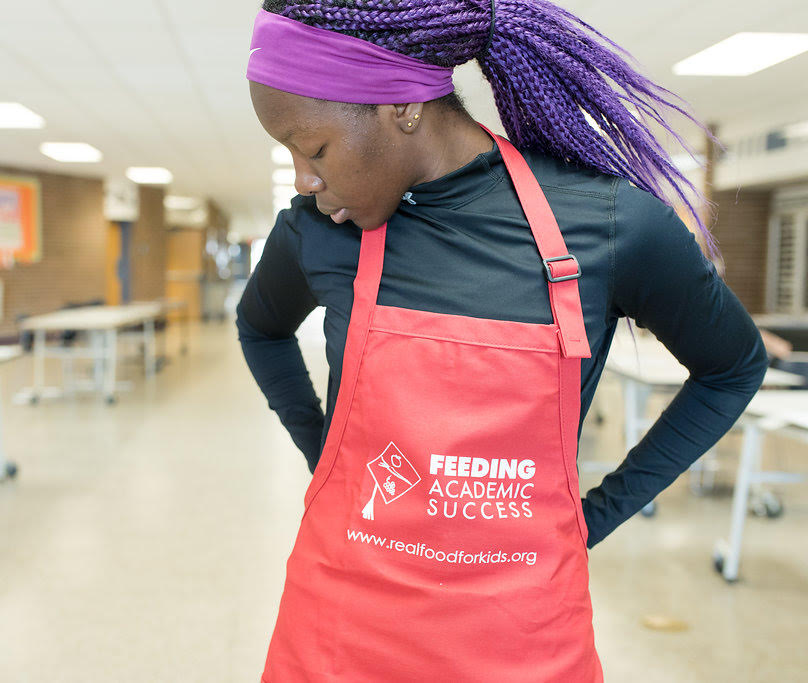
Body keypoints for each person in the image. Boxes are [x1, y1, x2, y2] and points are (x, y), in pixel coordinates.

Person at [236, 1, 769, 680]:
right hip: (339, 633)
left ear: (400, 105)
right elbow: (260, 326)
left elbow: (732, 366)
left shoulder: (607, 225)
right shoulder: (320, 230)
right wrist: (325, 457)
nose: (305, 181)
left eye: (313, 150)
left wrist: (590, 516)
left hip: (519, 642)